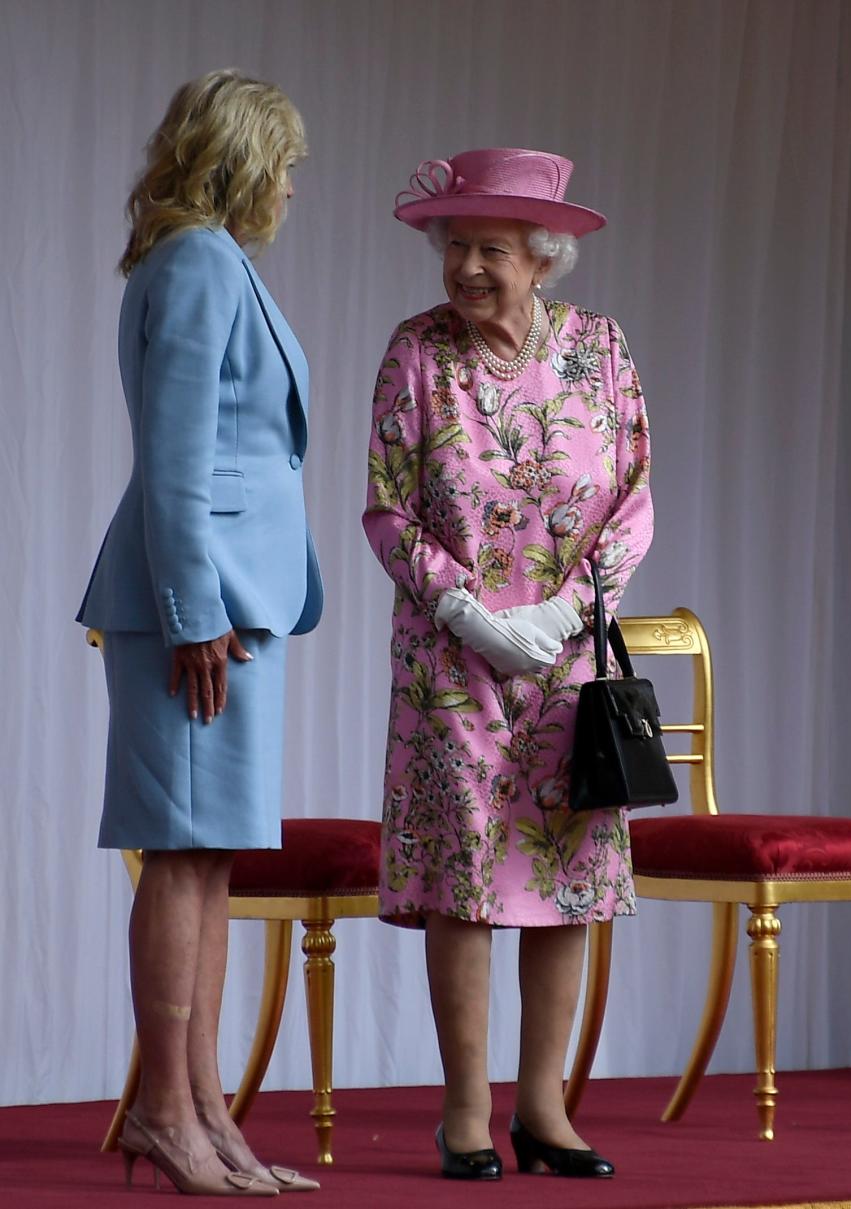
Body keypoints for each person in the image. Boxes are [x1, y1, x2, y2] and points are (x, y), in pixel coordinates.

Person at [363, 148, 654, 1180]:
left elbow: (635, 498)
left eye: (492, 247)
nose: (468, 266)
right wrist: (466, 609)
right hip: (454, 663)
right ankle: (463, 1113)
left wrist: (576, 605)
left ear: (543, 257)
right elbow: (388, 505)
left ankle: (544, 1107)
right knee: (466, 882)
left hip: (569, 664)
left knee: (564, 879)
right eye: (458, 246)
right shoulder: (416, 354)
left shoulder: (604, 352)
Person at [77, 69, 323, 1196]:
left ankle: (203, 1108)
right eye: (282, 163)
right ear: (242, 160)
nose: (287, 186)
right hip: (200, 611)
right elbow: (174, 456)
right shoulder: (195, 264)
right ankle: (165, 1113)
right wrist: (193, 613)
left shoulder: (211, 262)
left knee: (209, 856)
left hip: (230, 608)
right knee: (180, 856)